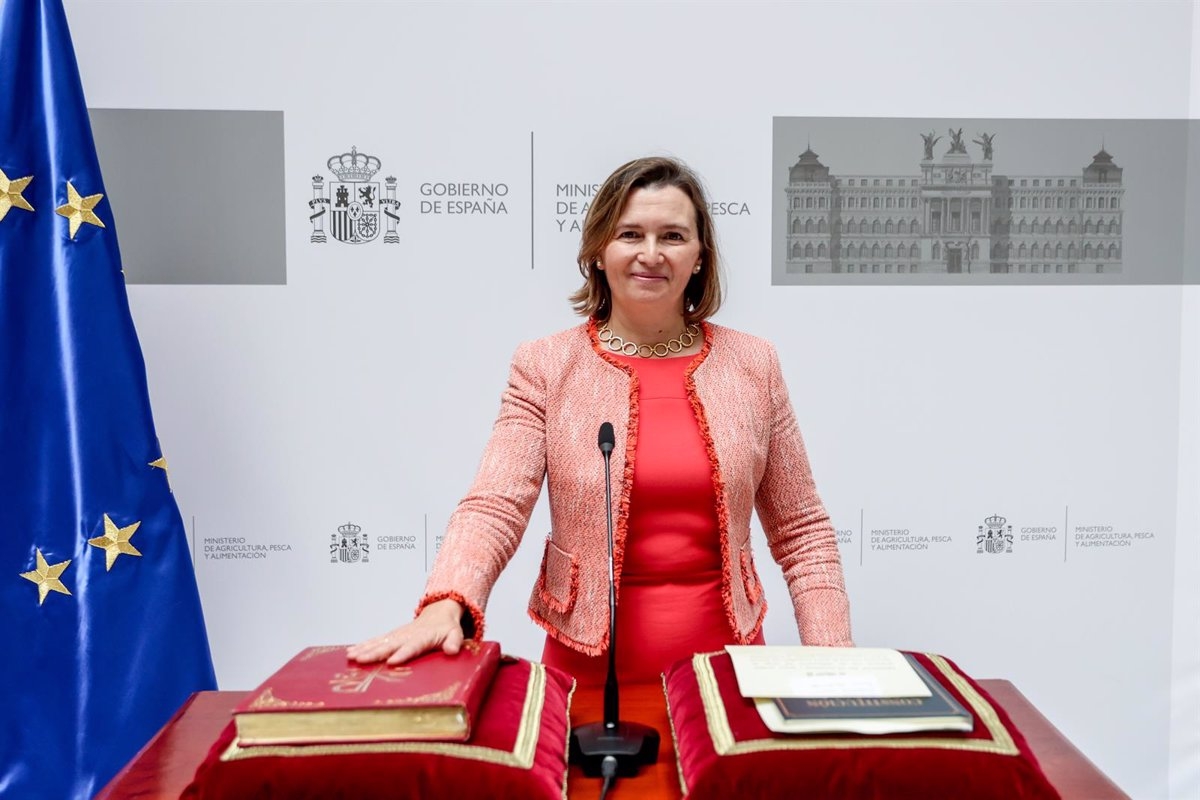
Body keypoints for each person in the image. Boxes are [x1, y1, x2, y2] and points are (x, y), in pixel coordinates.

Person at [348, 156, 852, 684]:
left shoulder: (754, 364)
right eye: (630, 234)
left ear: (700, 256)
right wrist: (446, 602)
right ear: (598, 250)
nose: (650, 253)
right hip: (586, 679)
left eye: (673, 236)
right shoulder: (546, 366)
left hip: (729, 676)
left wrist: (837, 660)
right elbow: (494, 505)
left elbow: (802, 530)